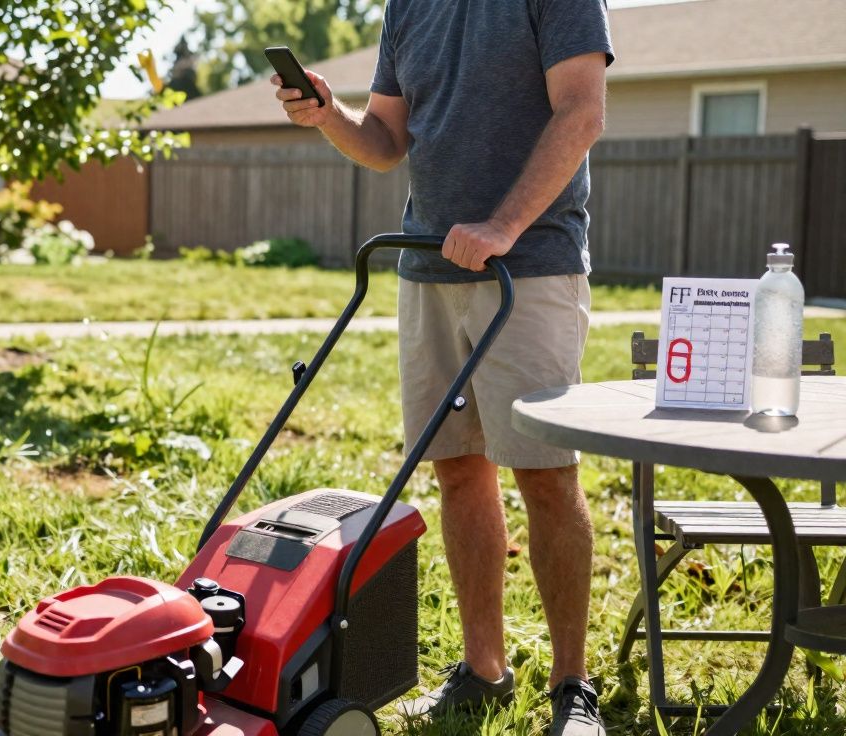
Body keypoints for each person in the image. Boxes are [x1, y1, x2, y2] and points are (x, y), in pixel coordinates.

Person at [271, 1, 613, 734]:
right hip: (427, 266)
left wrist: (503, 227)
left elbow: (581, 113)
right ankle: (483, 670)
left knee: (546, 476)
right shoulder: (410, 5)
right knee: (457, 468)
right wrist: (330, 115)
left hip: (532, 269)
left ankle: (572, 687)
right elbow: (387, 139)